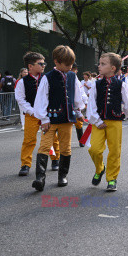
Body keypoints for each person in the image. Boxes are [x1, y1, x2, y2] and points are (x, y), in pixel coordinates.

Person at [32, 45, 85, 191]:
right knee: (44, 146)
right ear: (56, 61)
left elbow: (76, 97)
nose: (70, 67)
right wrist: (43, 119)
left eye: (71, 64)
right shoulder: (47, 77)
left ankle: (62, 176)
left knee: (66, 147)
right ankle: (40, 178)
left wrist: (79, 113)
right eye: (67, 64)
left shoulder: (73, 76)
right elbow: (42, 99)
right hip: (50, 119)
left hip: (67, 119)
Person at [87, 53, 128, 191]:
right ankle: (100, 169)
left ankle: (112, 178)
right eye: (99, 63)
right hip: (99, 122)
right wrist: (96, 120)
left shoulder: (121, 85)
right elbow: (91, 105)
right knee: (94, 149)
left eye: (102, 64)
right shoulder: (96, 84)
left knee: (114, 151)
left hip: (115, 121)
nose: (99, 66)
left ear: (112, 68)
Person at [15, 52, 61, 176]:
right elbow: (20, 99)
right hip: (31, 115)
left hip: (47, 114)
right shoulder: (22, 82)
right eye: (40, 63)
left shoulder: (47, 78)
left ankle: (56, 159)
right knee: (29, 140)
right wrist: (33, 111)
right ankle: (25, 164)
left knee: (53, 138)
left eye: (44, 63)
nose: (44, 65)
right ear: (30, 66)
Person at [71, 63, 86, 147]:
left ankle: (81, 140)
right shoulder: (69, 77)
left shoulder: (76, 79)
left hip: (76, 105)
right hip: (69, 105)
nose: (76, 71)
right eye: (75, 69)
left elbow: (81, 92)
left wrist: (85, 102)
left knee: (79, 124)